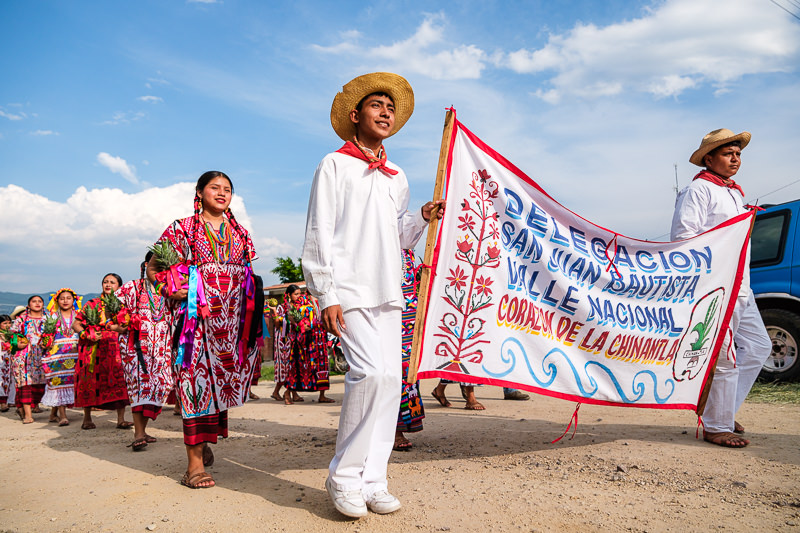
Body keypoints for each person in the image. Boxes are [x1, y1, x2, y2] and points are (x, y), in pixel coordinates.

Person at [302, 72, 444, 517]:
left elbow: (397, 234)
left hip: (388, 289)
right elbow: (319, 232)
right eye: (376, 105)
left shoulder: (396, 175)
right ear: (354, 116)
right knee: (367, 374)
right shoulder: (334, 165)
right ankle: (343, 476)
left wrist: (421, 216)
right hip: (349, 288)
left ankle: (373, 479)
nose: (385, 111)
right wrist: (325, 293)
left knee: (390, 382)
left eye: (390, 107)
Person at [147, 170, 261, 489]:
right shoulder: (182, 228)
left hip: (229, 325)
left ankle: (204, 441)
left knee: (218, 388)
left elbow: (248, 273)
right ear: (199, 192)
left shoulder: (239, 233)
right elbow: (154, 266)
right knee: (194, 386)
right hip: (194, 323)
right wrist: (170, 288)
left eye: (228, 189)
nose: (222, 193)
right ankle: (193, 467)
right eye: (215, 187)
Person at [670, 128, 772, 448]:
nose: (735, 159)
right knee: (726, 356)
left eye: (738, 154)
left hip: (742, 283)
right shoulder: (698, 190)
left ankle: (723, 411)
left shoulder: (733, 192)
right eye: (728, 154)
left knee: (758, 347)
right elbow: (683, 238)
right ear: (709, 158)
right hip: (719, 285)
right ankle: (716, 425)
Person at [116, 252, 175, 451]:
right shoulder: (131, 287)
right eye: (155, 263)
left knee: (162, 385)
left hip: (163, 346)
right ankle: (139, 433)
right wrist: (119, 326)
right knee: (139, 386)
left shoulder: (173, 289)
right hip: (135, 346)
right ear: (146, 264)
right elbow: (110, 312)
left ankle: (143, 429)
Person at [72, 274, 132, 430]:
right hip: (91, 347)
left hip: (114, 347)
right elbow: (76, 324)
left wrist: (110, 327)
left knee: (119, 379)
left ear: (119, 286)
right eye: (105, 281)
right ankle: (87, 418)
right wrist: (85, 334)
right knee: (89, 380)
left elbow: (124, 327)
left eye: (112, 282)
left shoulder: (122, 305)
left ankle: (121, 419)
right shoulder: (92, 304)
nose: (108, 284)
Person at [282, 287, 334, 405]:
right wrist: (298, 326)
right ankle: (288, 392)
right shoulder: (302, 299)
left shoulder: (323, 299)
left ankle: (322, 395)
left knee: (321, 366)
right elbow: (291, 315)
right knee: (299, 365)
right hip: (304, 339)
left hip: (320, 338)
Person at [395, 249, 425, 451]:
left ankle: (403, 425)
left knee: (409, 372)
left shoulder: (408, 250)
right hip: (389, 315)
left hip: (410, 318)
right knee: (391, 374)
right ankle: (392, 430)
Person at [41, 288, 81, 426]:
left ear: (73, 300)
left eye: (68, 298)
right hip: (56, 356)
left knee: (70, 382)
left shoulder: (79, 316)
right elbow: (44, 337)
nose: (65, 301)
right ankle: (63, 416)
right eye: (62, 298)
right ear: (57, 300)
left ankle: (53, 413)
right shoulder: (50, 317)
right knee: (59, 382)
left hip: (74, 354)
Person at [10, 296, 47, 423]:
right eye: (34, 301)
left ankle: (24, 407)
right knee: (25, 384)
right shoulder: (21, 319)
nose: (37, 303)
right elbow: (12, 336)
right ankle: (28, 415)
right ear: (28, 305)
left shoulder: (48, 319)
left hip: (42, 355)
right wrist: (17, 343)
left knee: (41, 385)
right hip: (24, 356)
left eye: (40, 301)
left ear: (43, 304)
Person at [0, 314, 15, 412]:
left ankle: (11, 400)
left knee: (11, 379)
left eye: (9, 323)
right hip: (1, 360)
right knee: (1, 379)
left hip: (10, 359)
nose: (8, 325)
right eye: (5, 323)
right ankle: (2, 402)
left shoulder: (12, 334)